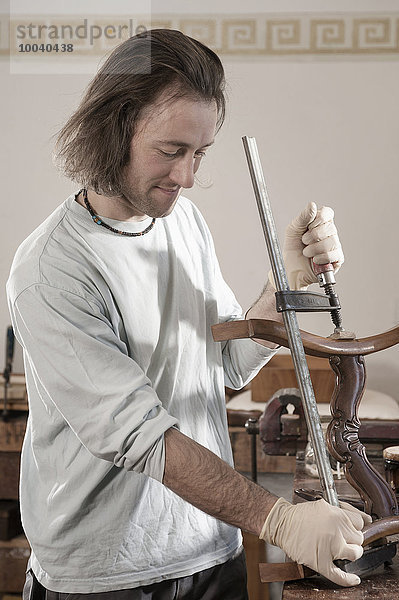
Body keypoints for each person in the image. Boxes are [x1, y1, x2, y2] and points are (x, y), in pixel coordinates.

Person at [7, 29, 371, 600]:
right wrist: (280, 522)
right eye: (171, 151)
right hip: (107, 575)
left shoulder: (183, 222)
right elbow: (141, 437)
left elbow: (224, 364)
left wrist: (286, 290)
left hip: (208, 550)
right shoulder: (52, 268)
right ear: (115, 130)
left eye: (199, 153)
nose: (186, 177)